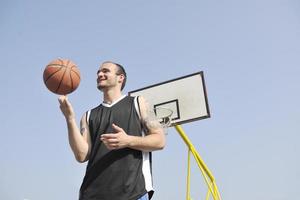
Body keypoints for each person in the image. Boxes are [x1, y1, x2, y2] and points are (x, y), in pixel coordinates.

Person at [58, 61, 165, 200]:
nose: (99, 74)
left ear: (121, 78)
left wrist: (128, 140)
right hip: (92, 194)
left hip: (131, 193)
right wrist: (70, 118)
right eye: (98, 72)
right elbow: (81, 155)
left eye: (105, 71)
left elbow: (160, 140)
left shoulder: (139, 103)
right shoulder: (89, 115)